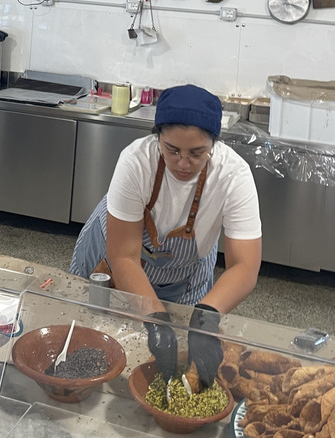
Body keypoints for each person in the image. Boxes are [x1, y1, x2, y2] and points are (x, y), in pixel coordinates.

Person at [70, 84, 262, 388]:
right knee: (91, 336)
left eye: (196, 153)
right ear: (157, 137)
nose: (183, 163)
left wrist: (207, 318)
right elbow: (124, 256)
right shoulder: (135, 161)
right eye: (172, 149)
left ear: (214, 144)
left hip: (186, 270)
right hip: (114, 255)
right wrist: (156, 319)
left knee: (184, 350)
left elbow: (245, 266)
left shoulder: (233, 176)